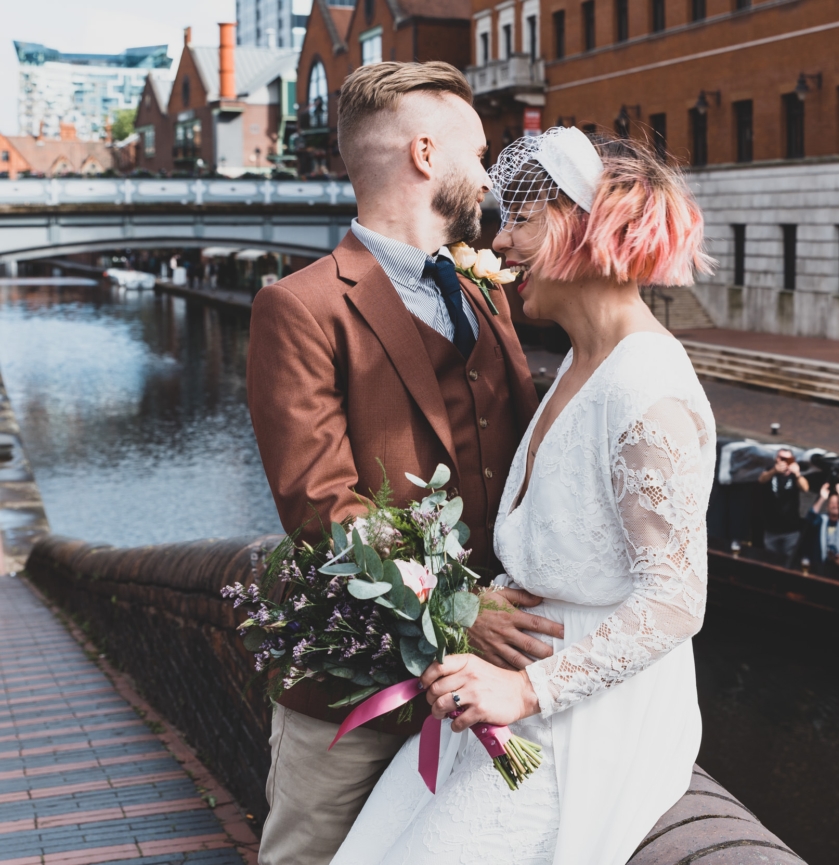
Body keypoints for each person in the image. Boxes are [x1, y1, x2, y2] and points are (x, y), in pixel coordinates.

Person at [334, 127, 715, 864]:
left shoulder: (644, 385)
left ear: (580, 222)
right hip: (508, 697)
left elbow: (675, 601)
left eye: (521, 220)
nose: (500, 242)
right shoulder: (580, 362)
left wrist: (527, 691)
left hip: (583, 723)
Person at [245, 62, 565, 865]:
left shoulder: (484, 291)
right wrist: (461, 610)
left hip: (486, 687)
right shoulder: (301, 307)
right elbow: (321, 505)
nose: (488, 173)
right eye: (478, 149)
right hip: (357, 690)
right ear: (426, 153)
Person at [757, 448, 808, 567]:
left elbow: (805, 488)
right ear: (776, 459)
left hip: (790, 531)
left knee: (789, 563)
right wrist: (774, 470)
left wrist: (797, 473)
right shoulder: (770, 471)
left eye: (788, 459)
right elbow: (761, 479)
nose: (784, 462)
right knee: (770, 561)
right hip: (771, 530)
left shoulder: (794, 476)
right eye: (782, 458)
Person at [806, 482, 839, 571]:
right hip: (820, 564)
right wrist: (822, 498)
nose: (835, 505)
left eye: (837, 503)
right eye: (831, 503)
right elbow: (810, 518)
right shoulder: (821, 520)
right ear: (827, 507)